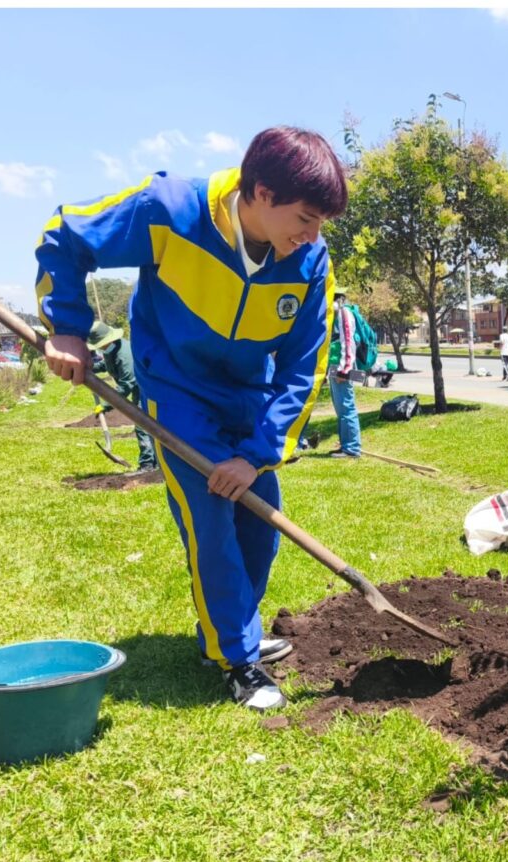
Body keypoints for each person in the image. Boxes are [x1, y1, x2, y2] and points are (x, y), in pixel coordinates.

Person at [34, 126, 345, 712]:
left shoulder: (309, 260)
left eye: (321, 223)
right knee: (211, 524)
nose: (313, 234)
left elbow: (305, 367)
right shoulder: (170, 211)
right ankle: (236, 658)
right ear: (260, 193)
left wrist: (255, 453)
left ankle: (230, 634)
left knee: (260, 523)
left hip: (248, 398)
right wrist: (68, 329)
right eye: (305, 217)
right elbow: (66, 232)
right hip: (175, 396)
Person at [87, 316, 158, 476]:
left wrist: (106, 405)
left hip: (147, 388)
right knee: (146, 426)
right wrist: (91, 369)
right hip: (138, 387)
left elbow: (126, 385)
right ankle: (154, 463)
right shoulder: (111, 350)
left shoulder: (124, 354)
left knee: (142, 425)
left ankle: (148, 465)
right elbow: (107, 365)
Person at [323, 292, 372, 458]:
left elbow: (348, 341)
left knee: (346, 406)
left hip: (342, 369)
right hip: (335, 367)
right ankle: (346, 445)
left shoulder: (344, 313)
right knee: (341, 408)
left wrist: (344, 370)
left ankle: (352, 448)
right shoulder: (335, 315)